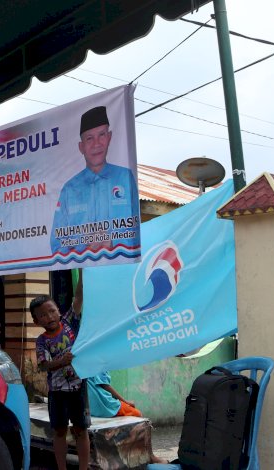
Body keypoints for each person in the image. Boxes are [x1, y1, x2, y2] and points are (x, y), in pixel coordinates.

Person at [50, 106, 138, 256]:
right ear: (81, 147)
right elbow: (56, 244)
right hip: (84, 274)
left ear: (109, 137)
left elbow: (138, 231)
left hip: (122, 271)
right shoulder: (69, 189)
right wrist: (83, 251)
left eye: (102, 135)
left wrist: (113, 244)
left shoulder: (125, 177)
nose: (97, 144)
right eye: (89, 138)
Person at [31, 274, 88, 470]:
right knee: (59, 431)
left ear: (58, 310)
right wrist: (61, 361)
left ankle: (83, 467)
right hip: (56, 392)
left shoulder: (69, 321)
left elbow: (79, 297)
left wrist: (82, 273)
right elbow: (42, 365)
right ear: (36, 320)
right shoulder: (42, 340)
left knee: (81, 429)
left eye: (52, 311)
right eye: (43, 315)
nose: (49, 317)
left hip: (78, 386)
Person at [87, 373, 168, 464]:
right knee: (138, 414)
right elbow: (104, 385)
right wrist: (125, 401)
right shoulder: (99, 362)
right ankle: (151, 456)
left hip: (91, 408)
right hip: (105, 406)